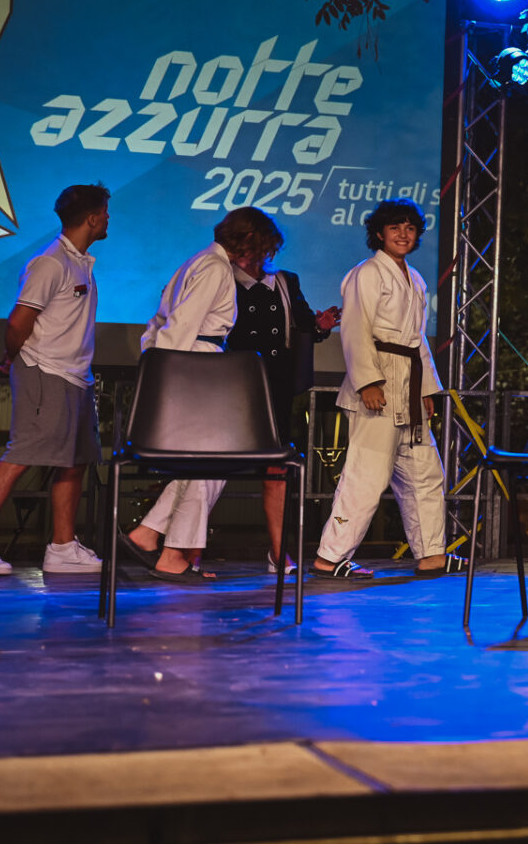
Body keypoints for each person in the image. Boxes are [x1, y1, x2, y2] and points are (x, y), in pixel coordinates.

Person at [0, 184, 111, 576]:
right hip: (45, 371)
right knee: (22, 454)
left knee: (75, 461)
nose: (109, 219)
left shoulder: (79, 262)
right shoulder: (51, 263)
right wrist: (13, 356)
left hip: (76, 376)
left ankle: (62, 547)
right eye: (106, 212)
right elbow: (18, 322)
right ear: (92, 218)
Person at [312, 200, 459, 578]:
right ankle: (330, 557)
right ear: (379, 233)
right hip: (378, 379)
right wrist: (367, 383)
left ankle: (431, 555)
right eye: (395, 228)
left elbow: (417, 340)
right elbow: (354, 329)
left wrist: (427, 388)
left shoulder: (416, 279)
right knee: (367, 475)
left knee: (425, 473)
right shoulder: (366, 273)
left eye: (410, 228)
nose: (403, 234)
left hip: (409, 385)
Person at [121, 209, 265, 583]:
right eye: (262, 248)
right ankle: (172, 553)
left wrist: (158, 365)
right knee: (214, 462)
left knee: (203, 465)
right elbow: (181, 324)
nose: (262, 258)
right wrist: (166, 378)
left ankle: (149, 532)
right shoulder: (214, 267)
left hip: (192, 363)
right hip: (195, 366)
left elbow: (160, 323)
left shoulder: (198, 261)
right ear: (249, 240)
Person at [223, 211, 340, 575]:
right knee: (212, 466)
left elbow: (303, 323)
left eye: (265, 249)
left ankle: (278, 552)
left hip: (277, 387)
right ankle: (185, 551)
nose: (258, 256)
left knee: (277, 467)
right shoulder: (222, 277)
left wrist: (320, 326)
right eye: (254, 248)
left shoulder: (285, 280)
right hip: (232, 387)